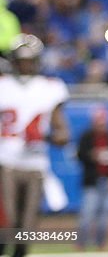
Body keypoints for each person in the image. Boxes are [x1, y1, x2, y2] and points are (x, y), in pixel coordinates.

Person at [0, 35, 70, 257]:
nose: (25, 65)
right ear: (13, 61)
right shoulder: (3, 85)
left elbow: (62, 132)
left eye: (30, 60)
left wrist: (47, 136)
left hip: (36, 164)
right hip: (6, 163)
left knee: (26, 230)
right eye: (21, 60)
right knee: (6, 223)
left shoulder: (50, 88)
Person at [76, 105, 108, 251]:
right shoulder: (86, 137)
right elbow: (79, 155)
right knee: (87, 214)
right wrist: (92, 155)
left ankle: (101, 242)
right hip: (92, 181)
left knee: (105, 217)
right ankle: (81, 243)